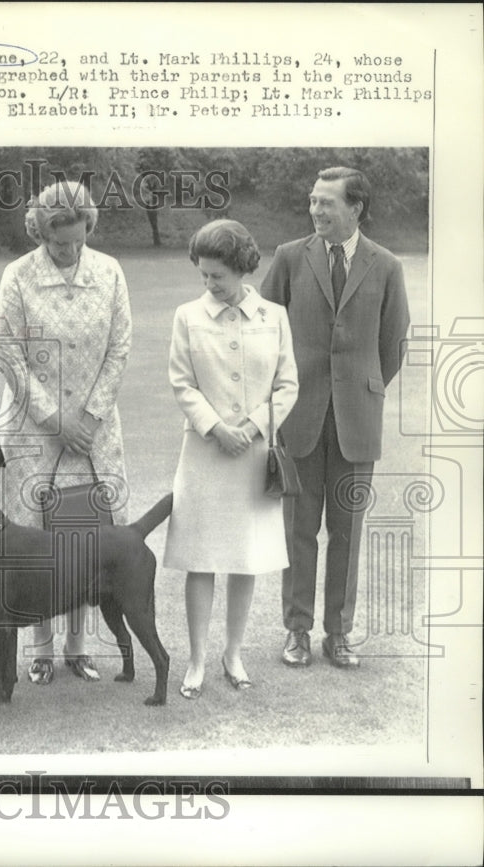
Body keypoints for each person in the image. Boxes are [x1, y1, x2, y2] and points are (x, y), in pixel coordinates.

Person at [261, 166, 410, 669]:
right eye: (313, 201)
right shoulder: (288, 258)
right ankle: (297, 632)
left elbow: (392, 346)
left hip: (357, 422)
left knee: (347, 530)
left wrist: (360, 393)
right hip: (298, 417)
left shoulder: (386, 266)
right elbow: (265, 332)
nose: (316, 210)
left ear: (356, 209)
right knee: (298, 530)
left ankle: (339, 633)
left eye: (327, 203)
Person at [0, 179, 132, 686]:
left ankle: (79, 647)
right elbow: (9, 354)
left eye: (77, 239)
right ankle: (40, 647)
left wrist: (89, 418)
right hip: (34, 429)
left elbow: (120, 348)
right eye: (58, 242)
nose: (69, 249)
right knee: (34, 537)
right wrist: (55, 419)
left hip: (94, 431)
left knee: (83, 536)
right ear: (40, 232)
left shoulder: (110, 272)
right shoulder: (18, 276)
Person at [163, 220, 299, 698]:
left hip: (255, 453)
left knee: (245, 559)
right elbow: (182, 383)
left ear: (242, 268)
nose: (210, 285)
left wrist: (256, 426)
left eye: (217, 276)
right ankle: (197, 660)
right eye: (203, 276)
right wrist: (217, 428)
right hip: (204, 452)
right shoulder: (187, 316)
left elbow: (287, 385)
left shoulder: (274, 316)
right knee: (200, 559)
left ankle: (233, 653)